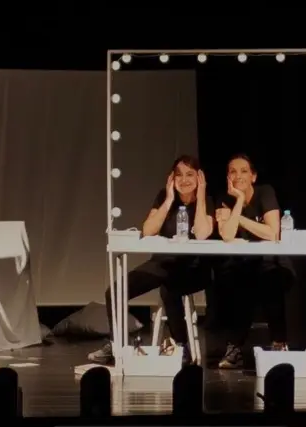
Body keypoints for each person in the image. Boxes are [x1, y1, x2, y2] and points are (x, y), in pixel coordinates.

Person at [88, 155, 215, 365]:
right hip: (163, 264)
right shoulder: (164, 197)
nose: (184, 180)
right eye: (179, 175)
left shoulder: (206, 201)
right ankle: (117, 344)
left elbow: (202, 234)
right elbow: (148, 230)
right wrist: (169, 199)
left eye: (190, 175)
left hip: (194, 268)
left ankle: (181, 346)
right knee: (115, 291)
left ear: (199, 177)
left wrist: (200, 194)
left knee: (170, 288)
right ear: (172, 178)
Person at [214, 153, 296, 369]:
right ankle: (235, 348)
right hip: (243, 264)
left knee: (269, 280)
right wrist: (239, 200)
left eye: (244, 171)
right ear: (227, 177)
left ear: (253, 176)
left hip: (273, 263)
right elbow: (227, 235)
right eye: (233, 172)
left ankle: (279, 343)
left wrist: (237, 216)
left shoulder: (265, 192)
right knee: (239, 281)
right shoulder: (225, 199)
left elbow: (272, 232)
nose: (238, 175)